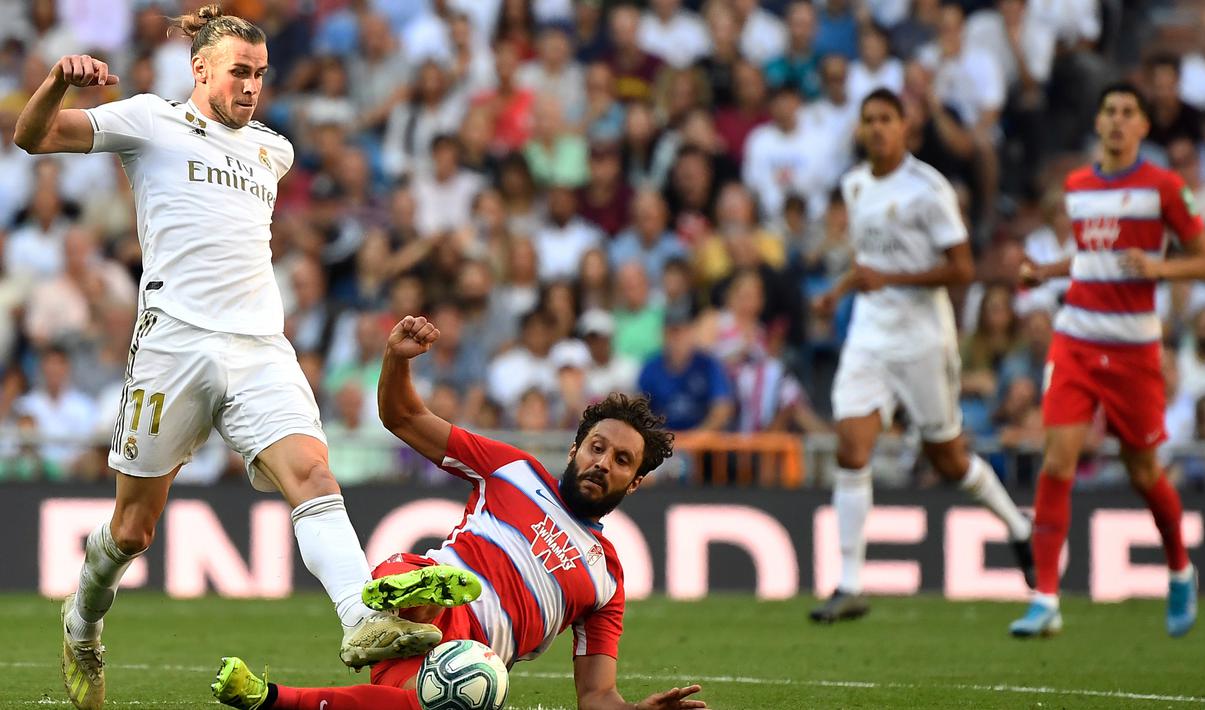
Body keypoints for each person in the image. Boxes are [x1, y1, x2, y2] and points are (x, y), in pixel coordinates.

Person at [13, 7, 452, 709]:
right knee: (133, 530)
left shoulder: (271, 150)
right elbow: (31, 137)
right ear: (201, 70)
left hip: (259, 347)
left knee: (311, 470)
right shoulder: (148, 121)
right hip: (172, 345)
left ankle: (360, 618)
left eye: (260, 74)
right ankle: (84, 621)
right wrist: (58, 82)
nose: (251, 86)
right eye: (239, 72)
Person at [210, 315, 707, 710]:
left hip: (463, 663)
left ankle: (267, 697)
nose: (603, 462)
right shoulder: (513, 470)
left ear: (636, 482)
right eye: (597, 447)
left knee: (414, 705)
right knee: (410, 572)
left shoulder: (607, 581)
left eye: (621, 461)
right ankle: (409, 599)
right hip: (435, 607)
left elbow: (597, 697)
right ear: (576, 447)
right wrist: (396, 359)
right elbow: (402, 417)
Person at [809, 89, 1034, 624]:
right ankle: (849, 583)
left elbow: (962, 269)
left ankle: (1018, 525)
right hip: (870, 334)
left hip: (923, 339)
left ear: (906, 128)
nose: (878, 128)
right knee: (851, 445)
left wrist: (891, 279)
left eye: (887, 119)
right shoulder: (855, 183)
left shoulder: (928, 189)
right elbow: (869, 265)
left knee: (948, 459)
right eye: (870, 120)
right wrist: (838, 292)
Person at [1010, 83, 1205, 639]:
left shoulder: (1165, 187)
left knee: (1144, 471)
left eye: (1129, 113)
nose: (1117, 122)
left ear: (1145, 128)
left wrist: (1158, 271)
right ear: (1098, 122)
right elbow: (1090, 257)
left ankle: (1179, 568)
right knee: (1057, 461)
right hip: (1076, 339)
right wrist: (1047, 273)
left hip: (1133, 350)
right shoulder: (1077, 186)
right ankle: (1046, 599)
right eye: (1109, 112)